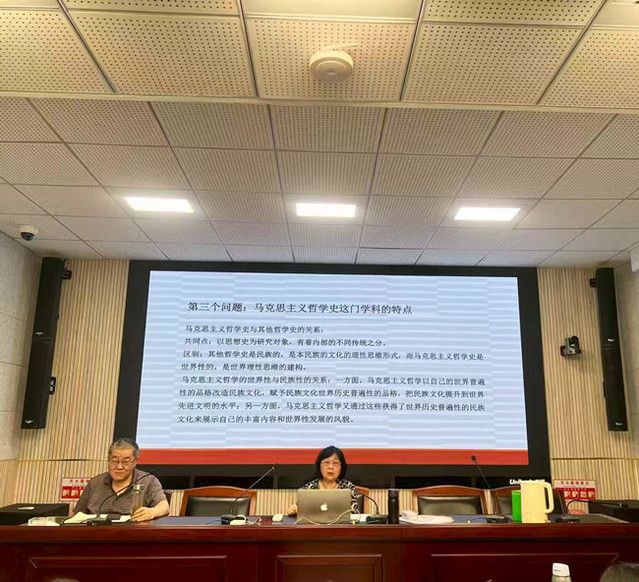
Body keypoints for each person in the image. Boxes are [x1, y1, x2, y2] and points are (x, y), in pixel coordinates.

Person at [74, 437, 169, 522]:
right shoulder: (95, 483)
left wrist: (153, 512)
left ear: (135, 462)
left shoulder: (148, 481)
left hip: (133, 532)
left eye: (125, 462)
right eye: (114, 461)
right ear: (108, 460)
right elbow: (77, 515)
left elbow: (164, 507)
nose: (119, 467)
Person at [287, 445, 359, 515]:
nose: (330, 467)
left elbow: (354, 514)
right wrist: (294, 508)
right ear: (320, 466)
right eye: (326, 463)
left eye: (335, 463)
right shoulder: (309, 487)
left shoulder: (348, 487)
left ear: (341, 467)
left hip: (340, 523)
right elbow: (299, 509)